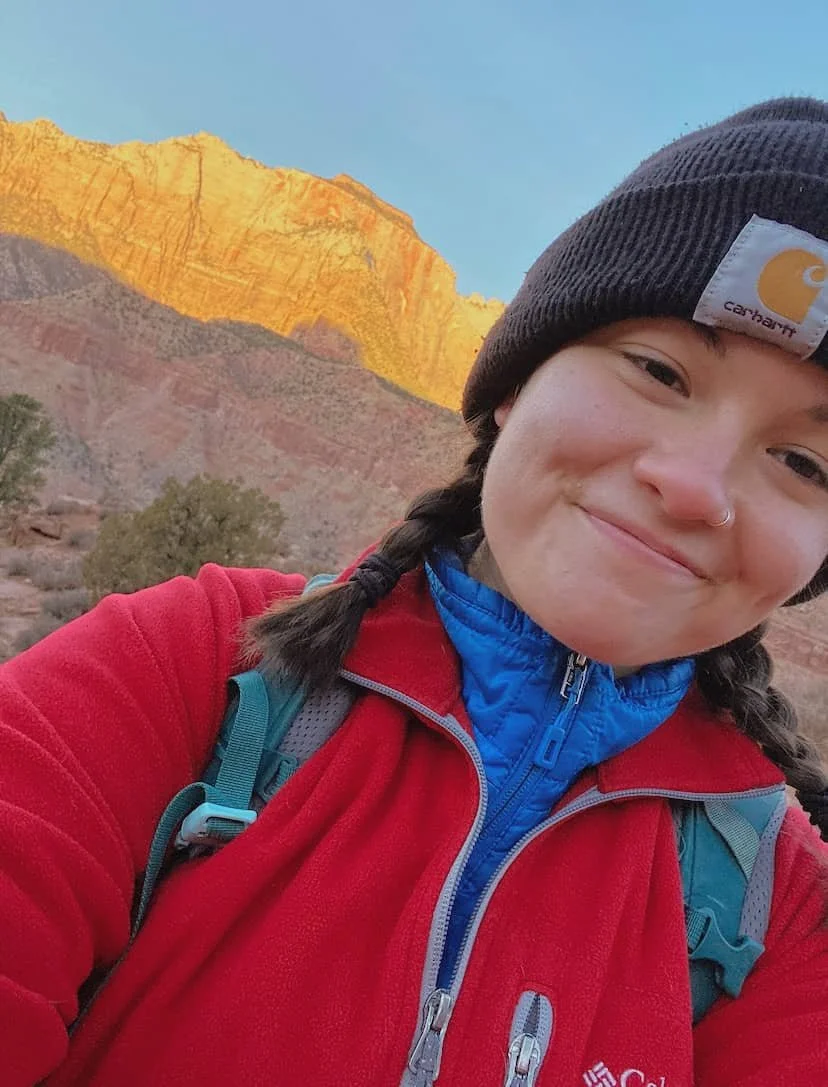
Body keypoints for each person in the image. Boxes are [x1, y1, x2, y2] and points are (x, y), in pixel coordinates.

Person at [3, 96, 828, 1087]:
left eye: (802, 461)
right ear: (518, 381)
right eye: (657, 369)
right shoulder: (189, 667)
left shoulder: (777, 912)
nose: (693, 485)